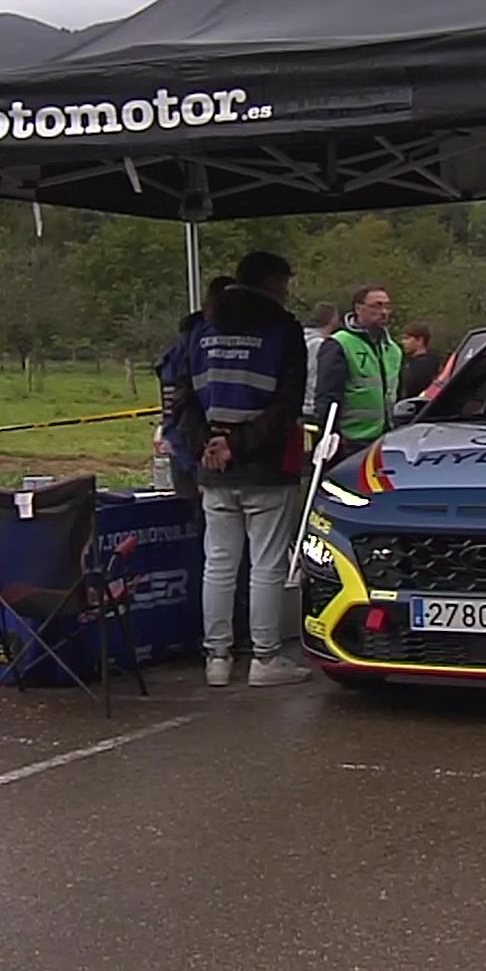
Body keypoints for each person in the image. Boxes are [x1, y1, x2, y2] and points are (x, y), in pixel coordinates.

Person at [170, 252, 311, 689]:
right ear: (271, 282)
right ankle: (265, 658)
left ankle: (217, 658)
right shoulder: (283, 330)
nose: (287, 291)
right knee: (266, 565)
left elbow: (183, 400)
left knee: (218, 563)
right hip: (265, 467)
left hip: (213, 468)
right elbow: (286, 406)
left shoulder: (200, 329)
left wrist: (205, 446)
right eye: (284, 282)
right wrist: (237, 444)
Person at [155, 275, 235, 515]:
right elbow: (176, 411)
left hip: (215, 454)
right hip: (192, 455)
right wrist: (195, 463)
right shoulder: (187, 348)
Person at [314, 285, 403, 457]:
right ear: (358, 308)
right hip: (350, 441)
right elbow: (327, 396)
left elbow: (398, 394)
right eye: (376, 306)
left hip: (384, 439)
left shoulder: (393, 349)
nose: (384, 312)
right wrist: (330, 435)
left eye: (387, 306)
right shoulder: (340, 343)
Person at [303, 303, 340, 423]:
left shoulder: (301, 338)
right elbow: (316, 375)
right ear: (332, 319)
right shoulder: (320, 344)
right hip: (310, 407)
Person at [398, 322, 441, 399]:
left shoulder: (424, 365)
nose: (403, 342)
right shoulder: (433, 362)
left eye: (407, 338)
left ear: (420, 340)